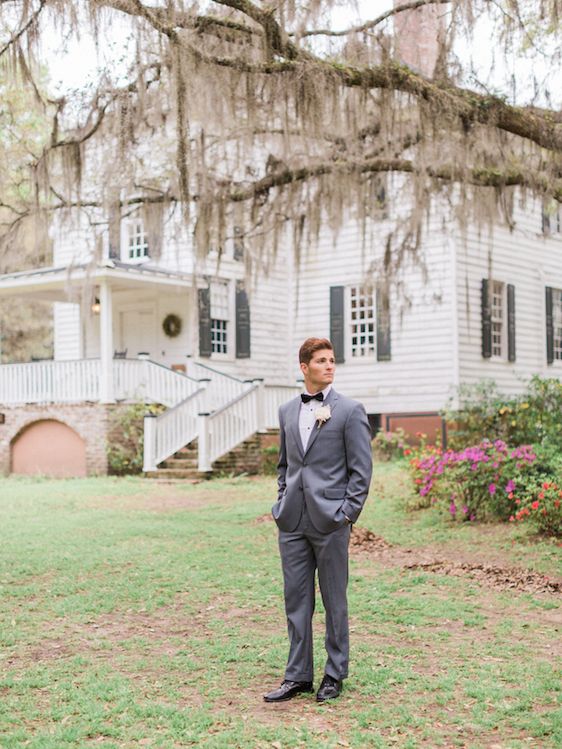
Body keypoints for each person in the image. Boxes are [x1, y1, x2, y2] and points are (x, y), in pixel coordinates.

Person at [264, 337, 373, 703]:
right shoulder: (285, 411)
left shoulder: (350, 411)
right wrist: (281, 502)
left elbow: (361, 471)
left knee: (334, 600)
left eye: (332, 360)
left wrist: (347, 514)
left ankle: (334, 674)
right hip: (292, 521)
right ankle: (297, 676)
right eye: (321, 361)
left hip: (331, 522)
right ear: (304, 367)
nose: (329, 366)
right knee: (296, 601)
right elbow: (285, 465)